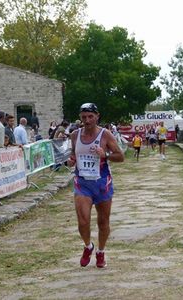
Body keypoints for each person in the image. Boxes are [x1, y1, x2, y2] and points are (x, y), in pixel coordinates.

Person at [67, 103, 124, 268]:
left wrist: (105, 155)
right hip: (82, 183)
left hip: (102, 183)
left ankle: (100, 251)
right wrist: (71, 160)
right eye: (84, 117)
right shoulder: (75, 135)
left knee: (103, 222)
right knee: (83, 220)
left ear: (97, 116)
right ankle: (88, 246)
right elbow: (73, 153)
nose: (87, 120)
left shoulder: (105, 135)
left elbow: (120, 156)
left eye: (90, 116)